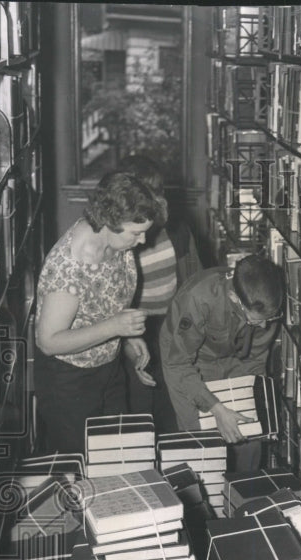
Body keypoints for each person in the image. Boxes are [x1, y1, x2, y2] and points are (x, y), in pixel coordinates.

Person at [33, 171, 166, 455]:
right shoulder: (69, 266)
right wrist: (114, 328)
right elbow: (48, 342)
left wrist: (128, 338)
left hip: (108, 371)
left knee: (115, 458)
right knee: (80, 468)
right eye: (136, 232)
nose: (142, 241)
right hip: (69, 383)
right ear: (109, 222)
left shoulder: (117, 243)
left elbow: (106, 305)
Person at [159, 254, 285, 471]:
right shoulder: (197, 298)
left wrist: (256, 404)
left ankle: (243, 494)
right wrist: (216, 408)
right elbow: (179, 364)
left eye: (269, 320)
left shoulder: (266, 307)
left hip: (233, 358)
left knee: (248, 432)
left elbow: (254, 359)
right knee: (201, 443)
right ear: (235, 298)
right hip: (187, 359)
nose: (265, 327)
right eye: (257, 321)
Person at [116, 154, 201, 433]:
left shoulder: (176, 230)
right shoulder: (124, 237)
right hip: (134, 332)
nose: (154, 200)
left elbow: (194, 281)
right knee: (140, 408)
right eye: (145, 192)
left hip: (172, 327)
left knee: (173, 406)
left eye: (158, 191)